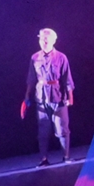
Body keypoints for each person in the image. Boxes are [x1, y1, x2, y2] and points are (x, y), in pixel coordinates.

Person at [20, 27, 76, 165]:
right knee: (43, 131)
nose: (43, 42)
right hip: (41, 97)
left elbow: (67, 79)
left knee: (62, 129)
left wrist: (70, 96)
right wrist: (27, 96)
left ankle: (66, 156)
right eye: (41, 39)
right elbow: (31, 78)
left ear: (53, 40)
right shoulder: (35, 58)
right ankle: (43, 159)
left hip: (58, 97)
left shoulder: (61, 57)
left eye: (46, 39)